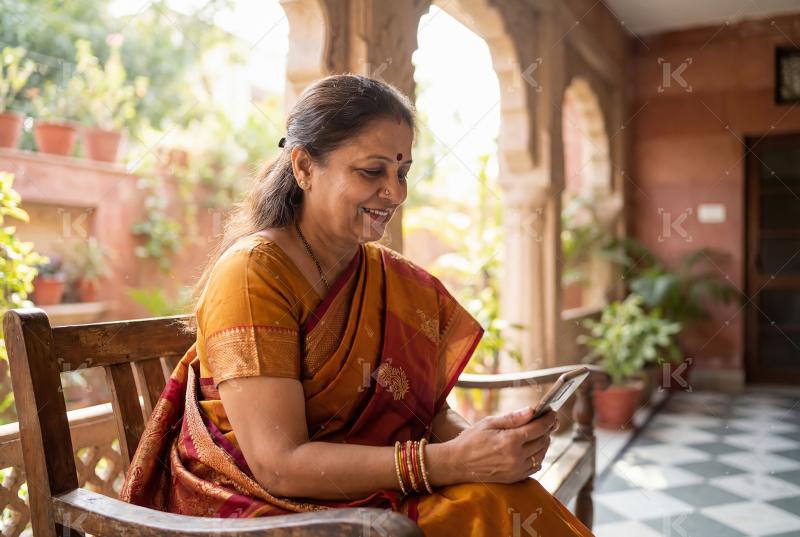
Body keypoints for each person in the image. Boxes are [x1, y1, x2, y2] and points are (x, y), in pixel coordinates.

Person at [120, 73, 594, 536]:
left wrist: (486, 447)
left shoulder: (390, 278)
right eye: (372, 171)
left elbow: (428, 416)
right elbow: (278, 465)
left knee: (503, 495)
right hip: (260, 511)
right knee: (486, 510)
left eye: (402, 173)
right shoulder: (253, 275)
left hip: (360, 495)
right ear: (304, 167)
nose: (396, 192)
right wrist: (451, 462)